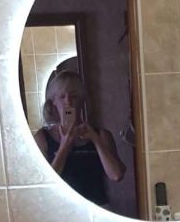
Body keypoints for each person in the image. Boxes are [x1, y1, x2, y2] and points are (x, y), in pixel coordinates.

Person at [34, 70, 125, 206]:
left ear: (82, 101)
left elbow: (116, 175)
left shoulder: (101, 135)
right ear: (53, 102)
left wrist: (95, 140)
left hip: (98, 210)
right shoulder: (43, 138)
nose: (68, 101)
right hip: (61, 211)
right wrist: (64, 146)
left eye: (74, 96)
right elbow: (46, 183)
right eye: (62, 96)